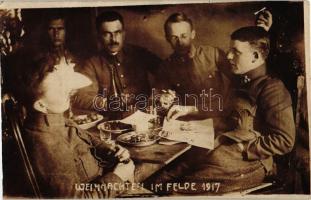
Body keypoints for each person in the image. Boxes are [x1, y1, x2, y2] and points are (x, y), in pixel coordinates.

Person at [146, 26, 295, 194]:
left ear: (255, 56)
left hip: (248, 162)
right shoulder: (239, 81)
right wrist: (191, 109)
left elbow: (284, 141)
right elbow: (224, 112)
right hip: (218, 149)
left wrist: (243, 147)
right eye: (230, 50)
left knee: (177, 192)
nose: (229, 56)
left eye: (236, 52)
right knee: (159, 179)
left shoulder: (272, 89)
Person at [21, 60, 135, 198]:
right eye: (58, 88)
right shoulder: (48, 143)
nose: (67, 89)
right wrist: (118, 177)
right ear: (41, 105)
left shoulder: (54, 118)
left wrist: (109, 150)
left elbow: (85, 138)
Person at [73, 11, 161, 118]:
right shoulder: (92, 63)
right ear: (99, 36)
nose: (113, 39)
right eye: (107, 34)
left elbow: (166, 72)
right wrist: (107, 103)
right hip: (112, 122)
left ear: (124, 33)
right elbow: (81, 96)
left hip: (145, 118)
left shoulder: (139, 53)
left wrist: (157, 92)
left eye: (117, 32)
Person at [154, 12, 232, 119]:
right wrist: (164, 99)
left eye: (184, 36)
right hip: (187, 121)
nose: (180, 42)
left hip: (217, 118)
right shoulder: (166, 66)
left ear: (193, 34)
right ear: (167, 38)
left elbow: (238, 83)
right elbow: (159, 96)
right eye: (174, 37)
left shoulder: (213, 54)